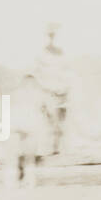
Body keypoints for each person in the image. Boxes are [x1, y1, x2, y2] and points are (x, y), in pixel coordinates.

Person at [33, 23, 70, 155]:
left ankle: (57, 149)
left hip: (61, 92)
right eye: (50, 35)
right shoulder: (41, 55)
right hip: (48, 93)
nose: (52, 38)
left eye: (53, 35)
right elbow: (38, 75)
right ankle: (48, 149)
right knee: (49, 121)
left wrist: (65, 89)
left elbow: (66, 72)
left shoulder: (62, 54)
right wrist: (46, 90)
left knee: (60, 121)